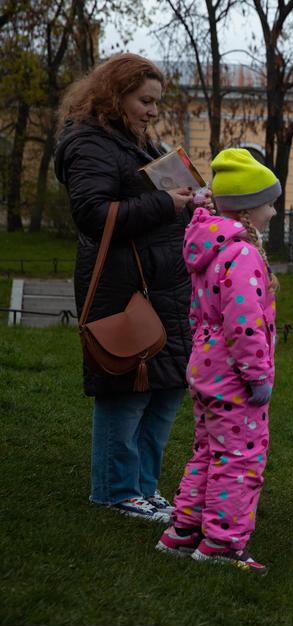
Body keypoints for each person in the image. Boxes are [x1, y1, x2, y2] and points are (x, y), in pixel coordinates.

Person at [54, 53, 194, 521]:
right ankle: (115, 490)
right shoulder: (88, 142)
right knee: (127, 394)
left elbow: (157, 202)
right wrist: (163, 204)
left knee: (165, 389)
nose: (153, 111)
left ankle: (143, 488)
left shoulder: (136, 142)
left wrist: (191, 200)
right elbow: (93, 214)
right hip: (125, 287)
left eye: (156, 102)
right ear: (116, 96)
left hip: (164, 286)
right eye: (145, 101)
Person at [155, 149, 280, 574]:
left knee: (208, 451)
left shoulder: (210, 248)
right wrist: (258, 376)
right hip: (235, 377)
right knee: (240, 459)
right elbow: (243, 324)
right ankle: (223, 545)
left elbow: (202, 314)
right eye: (269, 202)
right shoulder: (241, 255)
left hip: (206, 368)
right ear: (248, 208)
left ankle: (184, 529)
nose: (274, 210)